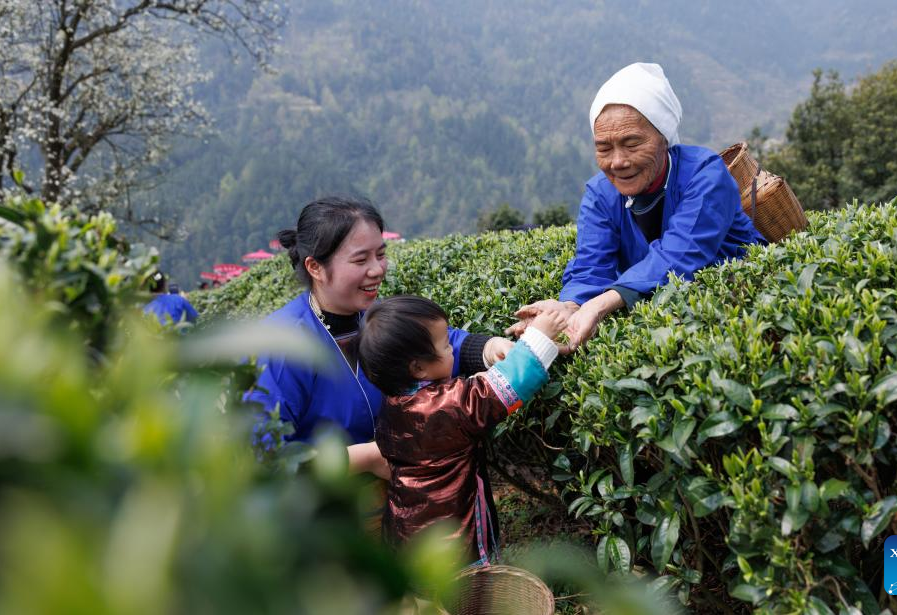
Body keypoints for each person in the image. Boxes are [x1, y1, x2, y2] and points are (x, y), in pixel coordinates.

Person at [244, 196, 515, 478]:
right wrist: (368, 457)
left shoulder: (372, 316)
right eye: (361, 259)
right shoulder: (279, 345)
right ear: (315, 268)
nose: (377, 270)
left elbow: (433, 346)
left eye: (381, 255)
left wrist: (489, 348)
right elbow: (263, 456)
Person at [508, 63, 765, 351]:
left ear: (663, 138)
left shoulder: (706, 175)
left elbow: (681, 254)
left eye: (631, 144)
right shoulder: (600, 194)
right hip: (666, 314)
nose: (617, 161)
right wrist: (568, 308)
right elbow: (591, 266)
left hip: (737, 301)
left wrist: (599, 305)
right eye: (604, 148)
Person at [357, 295, 567, 563]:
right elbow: (503, 387)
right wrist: (540, 335)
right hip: (453, 546)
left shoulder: (395, 403)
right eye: (446, 345)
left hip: (410, 534)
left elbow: (458, 399)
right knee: (469, 589)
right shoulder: (443, 408)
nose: (452, 350)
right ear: (418, 367)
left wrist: (476, 379)